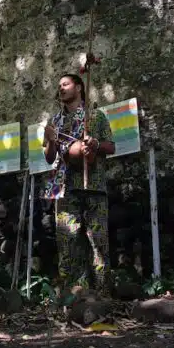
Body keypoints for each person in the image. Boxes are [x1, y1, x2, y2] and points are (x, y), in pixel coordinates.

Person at [42, 74, 115, 292]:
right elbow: (48, 157)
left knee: (98, 241)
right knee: (67, 242)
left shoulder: (95, 117)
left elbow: (111, 147)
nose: (61, 89)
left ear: (79, 87)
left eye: (66, 84)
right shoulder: (54, 122)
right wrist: (51, 140)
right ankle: (71, 295)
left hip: (93, 186)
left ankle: (102, 293)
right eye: (59, 86)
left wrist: (95, 143)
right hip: (65, 188)